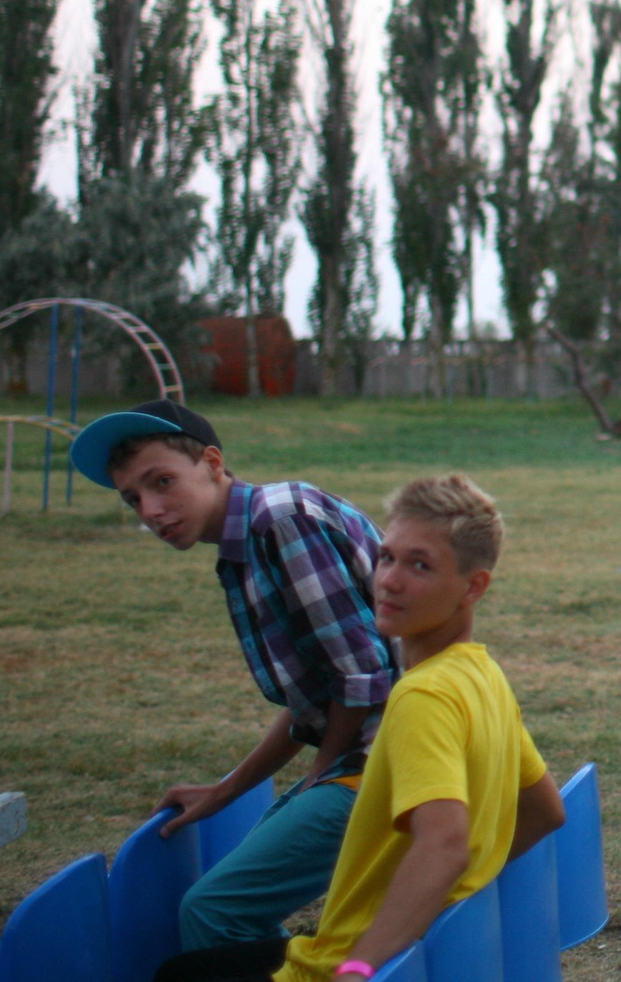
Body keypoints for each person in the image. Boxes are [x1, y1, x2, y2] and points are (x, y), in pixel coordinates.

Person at [158, 473, 566, 982]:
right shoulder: (484, 677)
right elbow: (546, 811)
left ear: (473, 586)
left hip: (335, 968)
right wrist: (435, 909)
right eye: (387, 557)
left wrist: (359, 965)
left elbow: (444, 844)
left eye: (420, 565)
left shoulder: (422, 695)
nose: (390, 580)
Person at [69, 400, 397, 954]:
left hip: (390, 764)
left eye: (163, 481)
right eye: (133, 499)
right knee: (234, 903)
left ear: (214, 463)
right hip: (368, 757)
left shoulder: (280, 522)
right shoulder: (248, 543)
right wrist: (226, 790)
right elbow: (312, 699)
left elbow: (362, 677)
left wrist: (321, 773)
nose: (150, 510)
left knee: (214, 911)